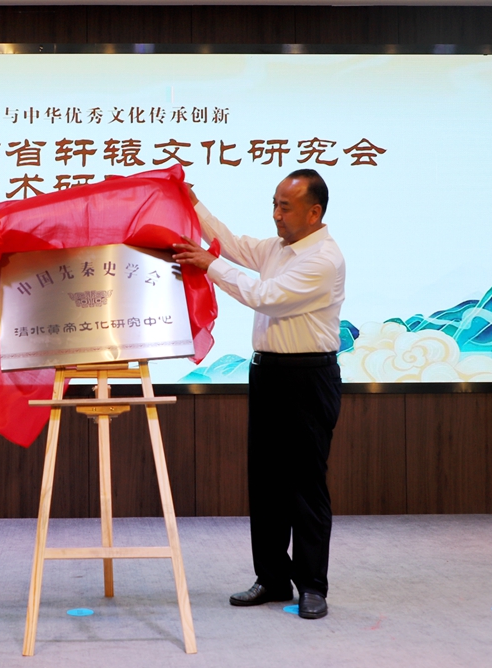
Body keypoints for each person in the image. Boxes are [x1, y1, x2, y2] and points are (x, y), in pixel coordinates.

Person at [172, 168, 345, 620]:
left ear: (314, 212)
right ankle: (272, 578)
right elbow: (229, 242)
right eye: (274, 204)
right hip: (268, 374)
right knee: (266, 482)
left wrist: (208, 265)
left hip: (308, 377)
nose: (276, 215)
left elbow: (265, 296)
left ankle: (312, 585)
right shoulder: (278, 248)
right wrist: (190, 201)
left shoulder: (323, 259)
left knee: (305, 485)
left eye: (285, 207)